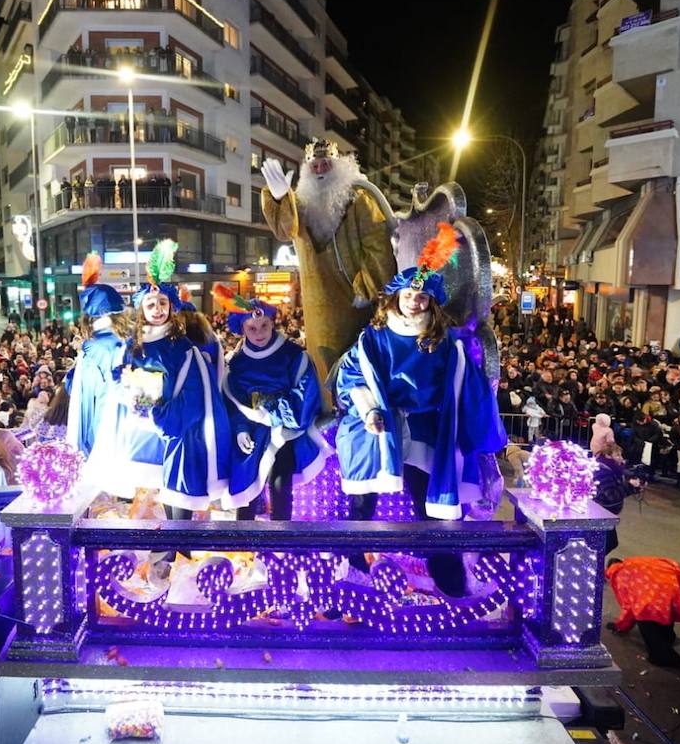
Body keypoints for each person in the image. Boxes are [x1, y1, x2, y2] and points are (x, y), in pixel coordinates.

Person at [335, 224, 507, 595]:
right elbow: (352, 375)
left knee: (434, 509)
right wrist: (368, 411)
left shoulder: (445, 342)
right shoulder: (374, 337)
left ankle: (450, 581)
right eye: (411, 294)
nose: (416, 301)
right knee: (362, 501)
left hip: (427, 429)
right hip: (380, 425)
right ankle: (351, 573)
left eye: (424, 297)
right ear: (396, 297)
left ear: (431, 302)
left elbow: (463, 382)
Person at [95, 240, 229, 526]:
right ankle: (167, 550)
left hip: (173, 431)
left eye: (162, 303)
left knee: (176, 496)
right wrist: (135, 401)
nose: (157, 309)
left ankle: (178, 547)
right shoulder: (131, 346)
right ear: (142, 308)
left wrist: (159, 416)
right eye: (151, 304)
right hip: (142, 432)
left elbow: (193, 396)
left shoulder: (182, 348)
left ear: (171, 306)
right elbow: (119, 381)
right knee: (151, 490)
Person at [260, 139, 397, 394]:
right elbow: (284, 230)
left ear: (339, 166)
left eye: (326, 164)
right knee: (321, 364)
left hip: (353, 301)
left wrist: (366, 288)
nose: (321, 170)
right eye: (315, 165)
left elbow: (378, 247)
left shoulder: (359, 199)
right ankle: (327, 412)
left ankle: (358, 412)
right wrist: (280, 199)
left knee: (355, 362)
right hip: (317, 305)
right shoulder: (300, 204)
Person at [217, 286, 330, 521]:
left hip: (285, 431)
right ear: (243, 329)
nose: (259, 332)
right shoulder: (238, 363)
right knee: (245, 482)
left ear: (272, 323)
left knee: (280, 480)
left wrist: (272, 415)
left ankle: (281, 538)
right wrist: (240, 429)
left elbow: (304, 396)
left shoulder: (293, 356)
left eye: (264, 326)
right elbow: (232, 399)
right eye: (252, 328)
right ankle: (243, 541)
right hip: (251, 432)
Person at [605, 556, 680, 666]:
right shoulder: (636, 561)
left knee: (646, 618)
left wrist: (620, 626)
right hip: (674, 587)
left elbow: (629, 608)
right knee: (664, 611)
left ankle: (665, 658)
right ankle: (668, 637)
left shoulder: (618, 576)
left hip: (654, 598)